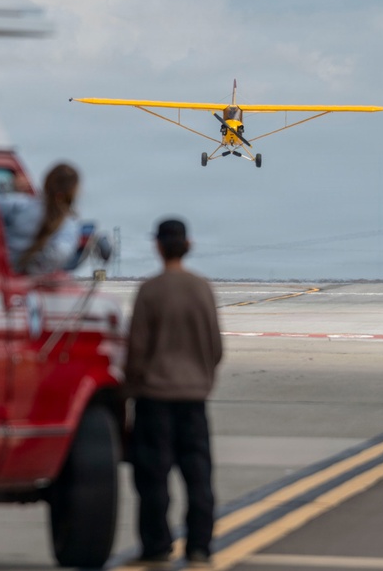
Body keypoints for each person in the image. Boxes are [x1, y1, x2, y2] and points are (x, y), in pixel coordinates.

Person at [125, 218, 224, 567]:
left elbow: (135, 350)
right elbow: (215, 347)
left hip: (155, 398)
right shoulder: (202, 289)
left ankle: (156, 546)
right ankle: (199, 546)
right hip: (193, 398)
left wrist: (131, 390)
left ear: (158, 246)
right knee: (198, 476)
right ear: (188, 245)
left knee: (153, 480)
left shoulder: (150, 291)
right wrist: (202, 381)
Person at [0, 163, 81, 275]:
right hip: (27, 283)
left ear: (46, 182)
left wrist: (7, 186)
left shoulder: (20, 205)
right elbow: (60, 253)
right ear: (74, 191)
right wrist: (31, 271)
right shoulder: (68, 224)